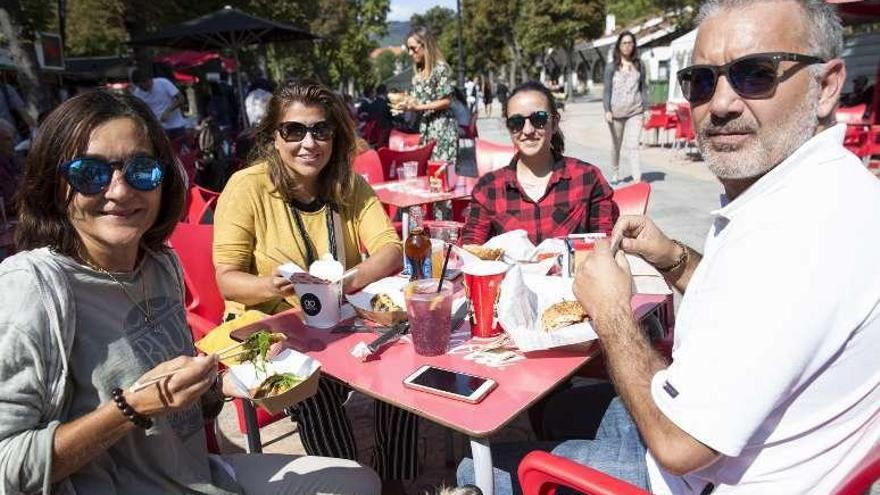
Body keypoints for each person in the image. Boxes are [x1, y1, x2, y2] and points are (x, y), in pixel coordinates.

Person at [458, 1, 880, 493]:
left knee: (475, 470)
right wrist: (674, 258)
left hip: (690, 472)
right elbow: (748, 303)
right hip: (712, 421)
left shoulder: (798, 230)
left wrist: (612, 309)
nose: (720, 104)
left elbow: (679, 448)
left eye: (755, 74)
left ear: (826, 85)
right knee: (558, 407)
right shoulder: (815, 190)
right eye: (702, 81)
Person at [0, 90, 381, 495]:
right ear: (56, 183)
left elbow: (182, 407)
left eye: (141, 170)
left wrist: (226, 382)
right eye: (90, 173)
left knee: (359, 482)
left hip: (198, 477)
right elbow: (7, 467)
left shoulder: (159, 264)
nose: (120, 190)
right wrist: (130, 408)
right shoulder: (33, 285)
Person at [212, 80, 418, 493]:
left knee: (404, 361)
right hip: (272, 329)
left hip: (342, 320)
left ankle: (395, 479)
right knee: (315, 388)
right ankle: (346, 480)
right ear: (273, 136)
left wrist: (347, 282)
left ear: (335, 135)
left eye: (321, 130)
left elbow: (390, 249)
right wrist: (270, 285)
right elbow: (227, 279)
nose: (309, 143)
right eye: (294, 131)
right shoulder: (247, 187)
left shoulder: (348, 184)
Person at [461, 81, 617, 246]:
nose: (527, 130)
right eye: (516, 122)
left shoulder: (587, 178)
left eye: (539, 119)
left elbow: (606, 244)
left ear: (555, 123)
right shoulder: (488, 188)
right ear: (508, 128)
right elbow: (470, 249)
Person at [399, 27, 459, 165]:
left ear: (425, 45)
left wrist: (419, 107)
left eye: (413, 48)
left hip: (443, 127)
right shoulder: (418, 73)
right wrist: (405, 104)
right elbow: (416, 102)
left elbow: (447, 101)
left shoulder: (440, 68)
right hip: (426, 127)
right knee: (430, 173)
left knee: (441, 172)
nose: (410, 53)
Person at [603, 31, 649, 184]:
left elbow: (643, 88)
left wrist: (646, 108)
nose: (627, 46)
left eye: (630, 43)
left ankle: (637, 178)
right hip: (616, 113)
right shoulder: (611, 67)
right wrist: (607, 110)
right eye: (624, 43)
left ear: (634, 45)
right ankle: (615, 171)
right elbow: (607, 90)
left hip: (635, 112)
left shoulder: (639, 65)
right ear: (619, 46)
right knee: (616, 145)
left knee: (633, 145)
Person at [130, 69, 188, 140]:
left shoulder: (163, 83)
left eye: (145, 85)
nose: (144, 89)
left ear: (149, 80)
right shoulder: (137, 93)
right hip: (158, 129)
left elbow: (181, 99)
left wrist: (168, 111)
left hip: (176, 126)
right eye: (140, 87)